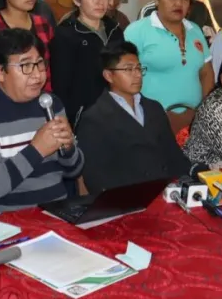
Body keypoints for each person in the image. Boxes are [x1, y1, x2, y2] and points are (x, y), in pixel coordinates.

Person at [0, 28, 83, 215]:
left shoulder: (51, 104)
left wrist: (69, 149)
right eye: (25, 66)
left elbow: (74, 170)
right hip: (4, 224)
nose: (37, 75)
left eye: (40, 64)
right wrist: (36, 150)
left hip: (55, 216)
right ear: (0, 72)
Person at [77, 41, 193, 193]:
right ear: (108, 75)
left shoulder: (154, 108)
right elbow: (96, 178)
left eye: (139, 68)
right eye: (128, 69)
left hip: (167, 192)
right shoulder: (94, 119)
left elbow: (173, 155)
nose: (137, 75)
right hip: (128, 199)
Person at [125, 0, 215, 136]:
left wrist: (204, 111)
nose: (179, 4)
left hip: (193, 121)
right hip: (150, 119)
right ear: (157, 0)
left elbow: (206, 72)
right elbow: (122, 77)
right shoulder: (137, 31)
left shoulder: (195, 30)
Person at [50, 0, 125, 123]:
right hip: (83, 117)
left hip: (117, 111)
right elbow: (61, 87)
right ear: (77, 0)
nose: (101, 2)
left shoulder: (115, 30)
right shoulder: (65, 34)